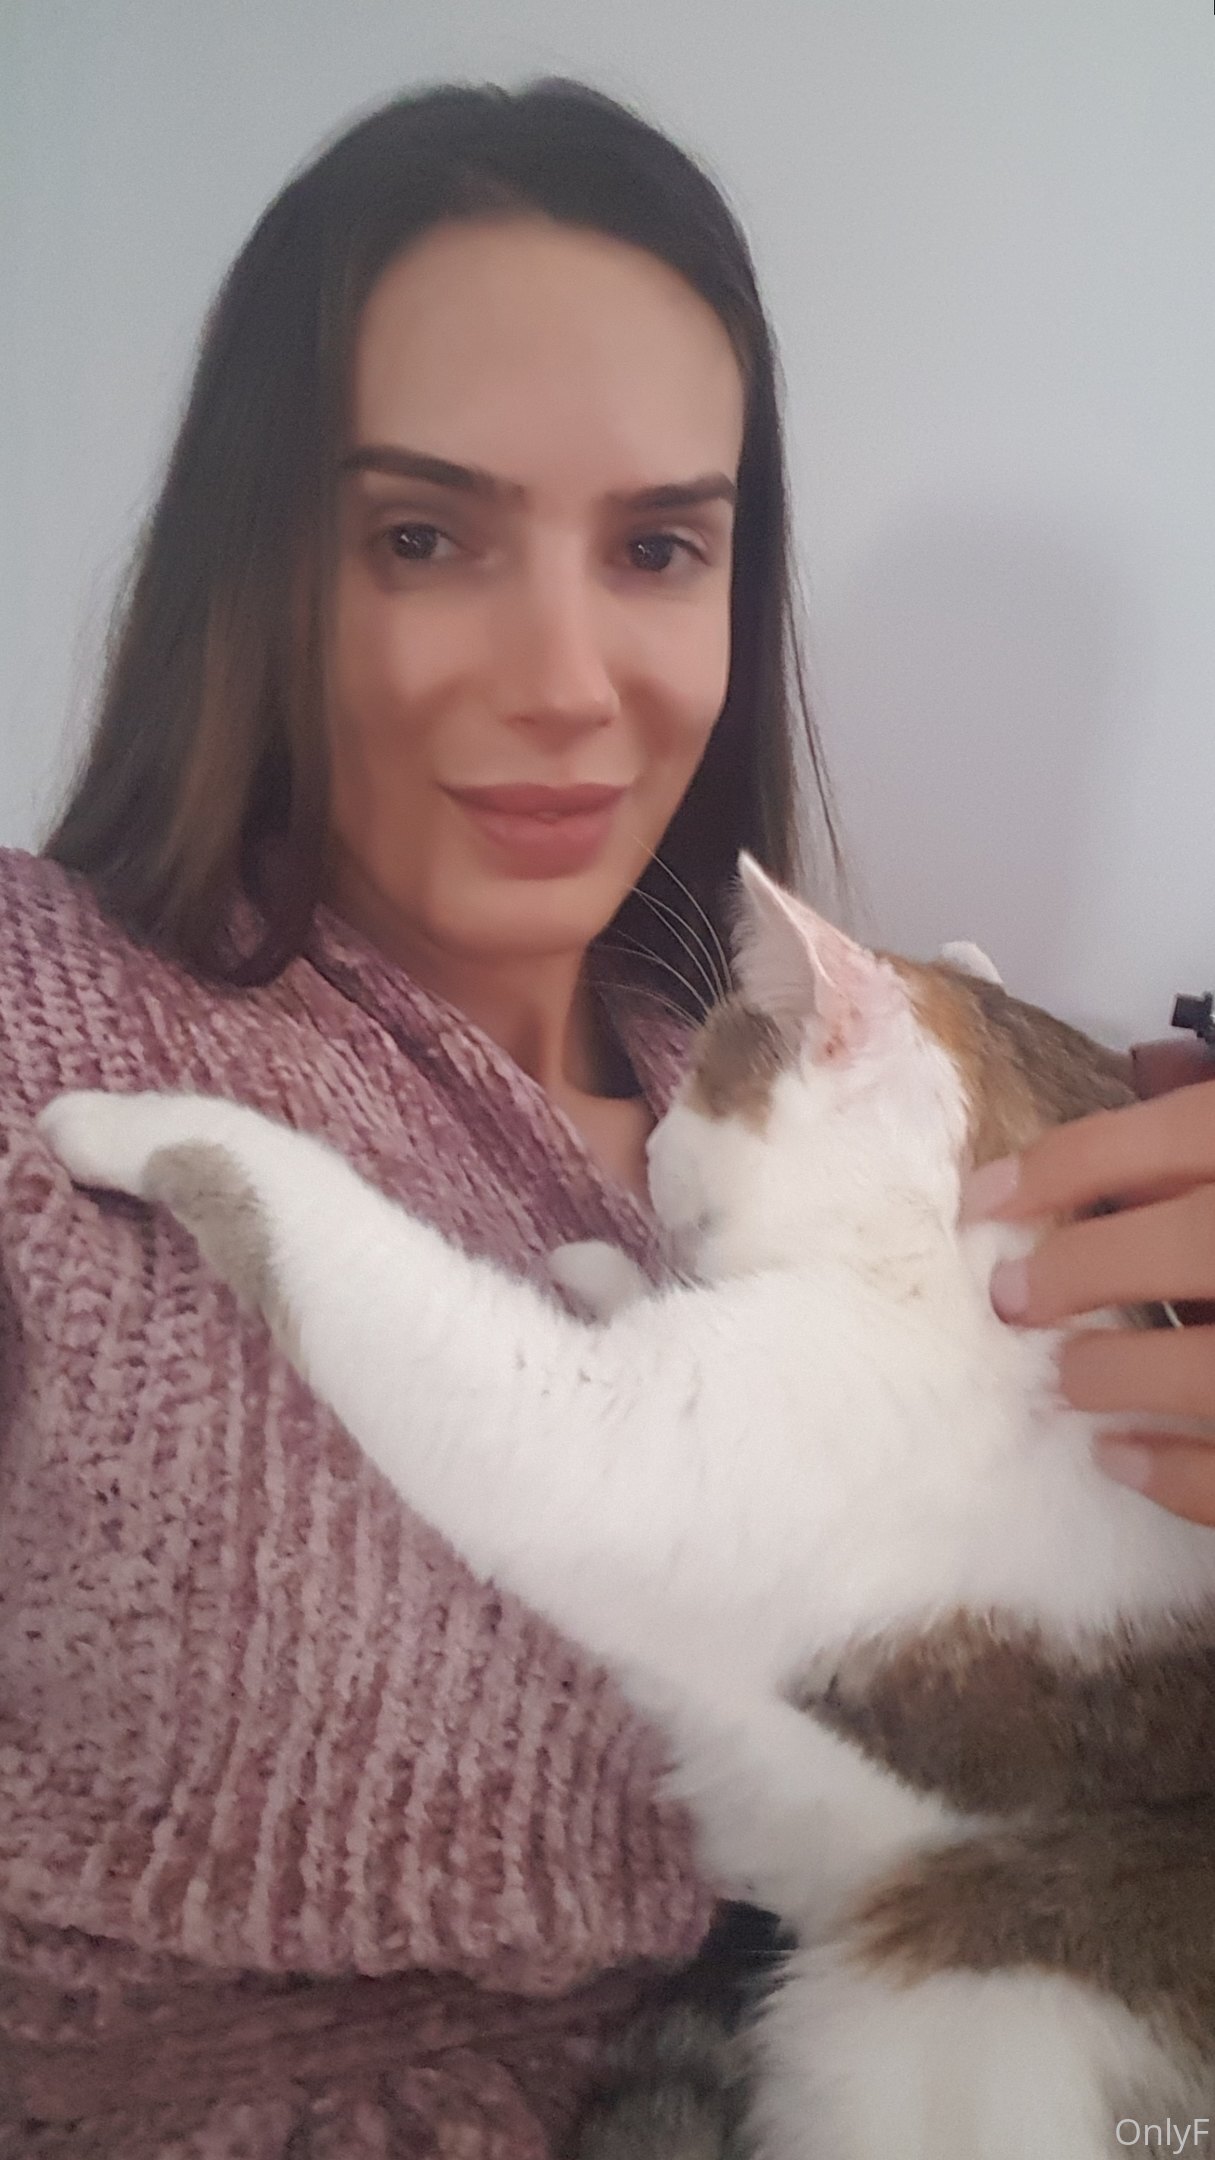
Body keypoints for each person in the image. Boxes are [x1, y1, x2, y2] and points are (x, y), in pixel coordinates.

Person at [0, 76, 1211, 2159]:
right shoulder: (42, 1027)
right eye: (421, 536)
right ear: (257, 568)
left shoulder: (905, 1116)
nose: (567, 679)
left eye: (656, 546)